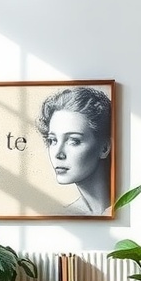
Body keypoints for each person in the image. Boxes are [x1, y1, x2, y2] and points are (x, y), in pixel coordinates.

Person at [36, 86, 113, 215]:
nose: (58, 154)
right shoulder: (66, 216)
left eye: (74, 141)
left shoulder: (131, 209)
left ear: (104, 148)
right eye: (53, 140)